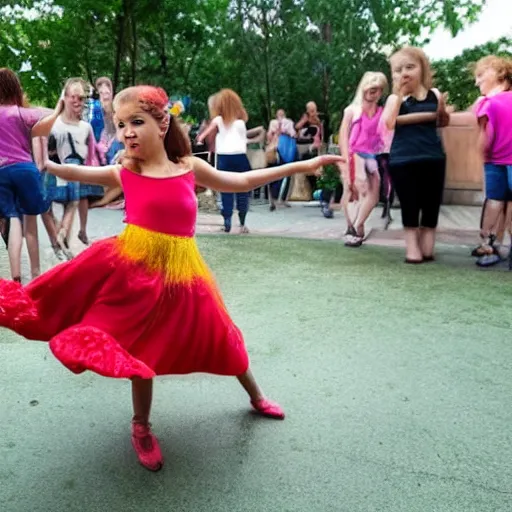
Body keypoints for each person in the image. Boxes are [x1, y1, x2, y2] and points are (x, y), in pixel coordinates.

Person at [0, 85, 343, 472]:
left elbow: (244, 183)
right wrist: (51, 166)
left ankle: (257, 396)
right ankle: (141, 426)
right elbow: (84, 173)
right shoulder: (127, 170)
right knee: (137, 348)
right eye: (120, 124)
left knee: (221, 334)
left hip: (184, 274)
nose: (127, 132)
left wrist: (301, 166)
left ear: (162, 123)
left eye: (136, 122)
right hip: (134, 269)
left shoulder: (188, 167)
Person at [382, 47, 450, 263]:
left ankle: (428, 247)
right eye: (398, 69)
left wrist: (441, 111)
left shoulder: (435, 95)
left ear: (422, 68)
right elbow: (389, 123)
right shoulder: (395, 99)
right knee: (410, 204)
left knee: (431, 204)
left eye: (410, 67)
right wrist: (400, 95)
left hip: (432, 157)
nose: (404, 73)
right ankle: (412, 249)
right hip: (403, 159)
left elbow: (443, 121)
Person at [0, 68, 63, 282]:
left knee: (12, 219)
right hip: (24, 170)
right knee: (31, 219)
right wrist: (58, 108)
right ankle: (36, 274)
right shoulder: (21, 113)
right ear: (15, 88)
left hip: (1, 173)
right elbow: (49, 117)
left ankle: (15, 274)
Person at [196, 89, 263, 234]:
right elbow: (243, 139)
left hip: (224, 158)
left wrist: (201, 140)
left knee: (225, 190)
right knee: (243, 190)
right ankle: (242, 223)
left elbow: (202, 136)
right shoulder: (240, 123)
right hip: (240, 157)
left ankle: (227, 223)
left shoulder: (218, 120)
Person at [338, 72, 388, 246]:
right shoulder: (352, 111)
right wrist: (345, 162)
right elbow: (343, 137)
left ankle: (358, 223)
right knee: (352, 189)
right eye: (371, 87)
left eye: (378, 89)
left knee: (375, 189)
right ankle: (351, 226)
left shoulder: (382, 112)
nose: (374, 92)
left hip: (374, 155)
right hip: (354, 153)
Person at [472, 56, 512, 267]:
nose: (476, 82)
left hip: (495, 161)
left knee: (494, 201)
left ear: (499, 73)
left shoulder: (488, 103)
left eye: (480, 75)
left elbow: (486, 138)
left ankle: (488, 245)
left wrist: (480, 154)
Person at [266, 108, 297, 211]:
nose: (280, 116)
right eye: (279, 114)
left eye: (282, 114)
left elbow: (293, 134)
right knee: (275, 174)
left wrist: (285, 131)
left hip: (287, 148)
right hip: (276, 148)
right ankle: (273, 200)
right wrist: (276, 132)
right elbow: (269, 135)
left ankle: (283, 199)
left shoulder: (289, 122)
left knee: (286, 173)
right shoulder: (273, 123)